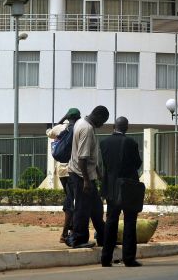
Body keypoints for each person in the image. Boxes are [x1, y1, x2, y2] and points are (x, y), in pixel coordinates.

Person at [99, 116, 143, 267]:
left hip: (111, 188)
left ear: (113, 126)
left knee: (111, 222)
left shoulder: (104, 143)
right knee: (130, 222)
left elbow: (106, 164)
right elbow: (137, 163)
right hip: (128, 187)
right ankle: (129, 258)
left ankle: (105, 258)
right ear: (127, 128)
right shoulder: (130, 142)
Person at [65, 105, 108, 249]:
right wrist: (87, 181)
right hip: (81, 175)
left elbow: (89, 156)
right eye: (104, 121)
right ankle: (78, 239)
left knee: (96, 207)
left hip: (84, 174)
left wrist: (98, 173)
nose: (103, 125)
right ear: (99, 116)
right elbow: (82, 158)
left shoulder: (80, 122)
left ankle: (103, 237)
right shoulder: (87, 129)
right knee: (82, 209)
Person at [45, 107, 81, 244]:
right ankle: (66, 233)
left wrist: (61, 119)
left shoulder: (60, 128)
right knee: (72, 200)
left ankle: (69, 230)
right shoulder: (78, 129)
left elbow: (48, 132)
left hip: (61, 170)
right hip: (73, 169)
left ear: (68, 117)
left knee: (70, 197)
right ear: (78, 118)